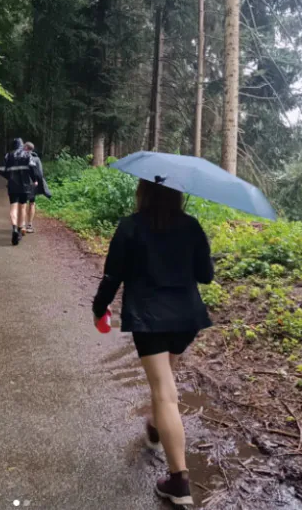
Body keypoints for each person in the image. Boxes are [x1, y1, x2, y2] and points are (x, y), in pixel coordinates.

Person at [92, 179, 214, 507]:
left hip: (149, 319)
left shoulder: (131, 226)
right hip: (186, 318)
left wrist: (99, 307)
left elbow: (112, 275)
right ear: (177, 194)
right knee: (165, 384)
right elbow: (206, 275)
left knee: (164, 391)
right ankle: (157, 425)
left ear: (143, 192)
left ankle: (179, 482)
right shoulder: (191, 226)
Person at [0, 137, 37, 246]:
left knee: (13, 207)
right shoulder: (27, 154)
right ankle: (19, 230)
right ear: (22, 145)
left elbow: (1, 170)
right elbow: (33, 168)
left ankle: (14, 228)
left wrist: (9, 177)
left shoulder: (8, 155)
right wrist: (34, 180)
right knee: (23, 207)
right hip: (24, 186)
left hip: (12, 185)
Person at [23, 142, 50, 233]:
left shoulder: (19, 157)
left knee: (22, 204)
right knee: (32, 203)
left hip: (21, 184)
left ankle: (21, 224)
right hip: (32, 185)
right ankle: (29, 225)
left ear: (25, 147)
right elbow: (40, 173)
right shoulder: (36, 159)